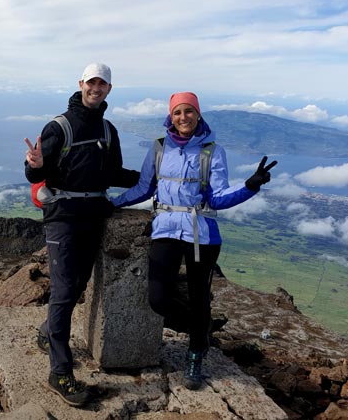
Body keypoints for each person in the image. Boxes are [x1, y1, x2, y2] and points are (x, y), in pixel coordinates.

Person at [110, 91, 276, 390]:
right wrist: (112, 204)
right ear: (170, 117)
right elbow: (144, 188)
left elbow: (218, 197)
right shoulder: (160, 148)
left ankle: (195, 355)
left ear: (198, 115)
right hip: (165, 229)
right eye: (178, 113)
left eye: (189, 112)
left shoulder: (212, 151)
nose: (183, 117)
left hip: (203, 233)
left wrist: (250, 186)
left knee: (200, 297)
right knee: (158, 299)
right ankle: (201, 331)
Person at [24, 63, 139, 407]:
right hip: (63, 218)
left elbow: (114, 172)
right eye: (92, 82)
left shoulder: (108, 129)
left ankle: (48, 333)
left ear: (109, 89)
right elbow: (35, 175)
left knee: (77, 285)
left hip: (94, 216)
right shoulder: (58, 126)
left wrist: (157, 176)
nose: (96, 88)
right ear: (81, 84)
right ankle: (59, 372)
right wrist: (33, 164)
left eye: (102, 84)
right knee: (62, 291)